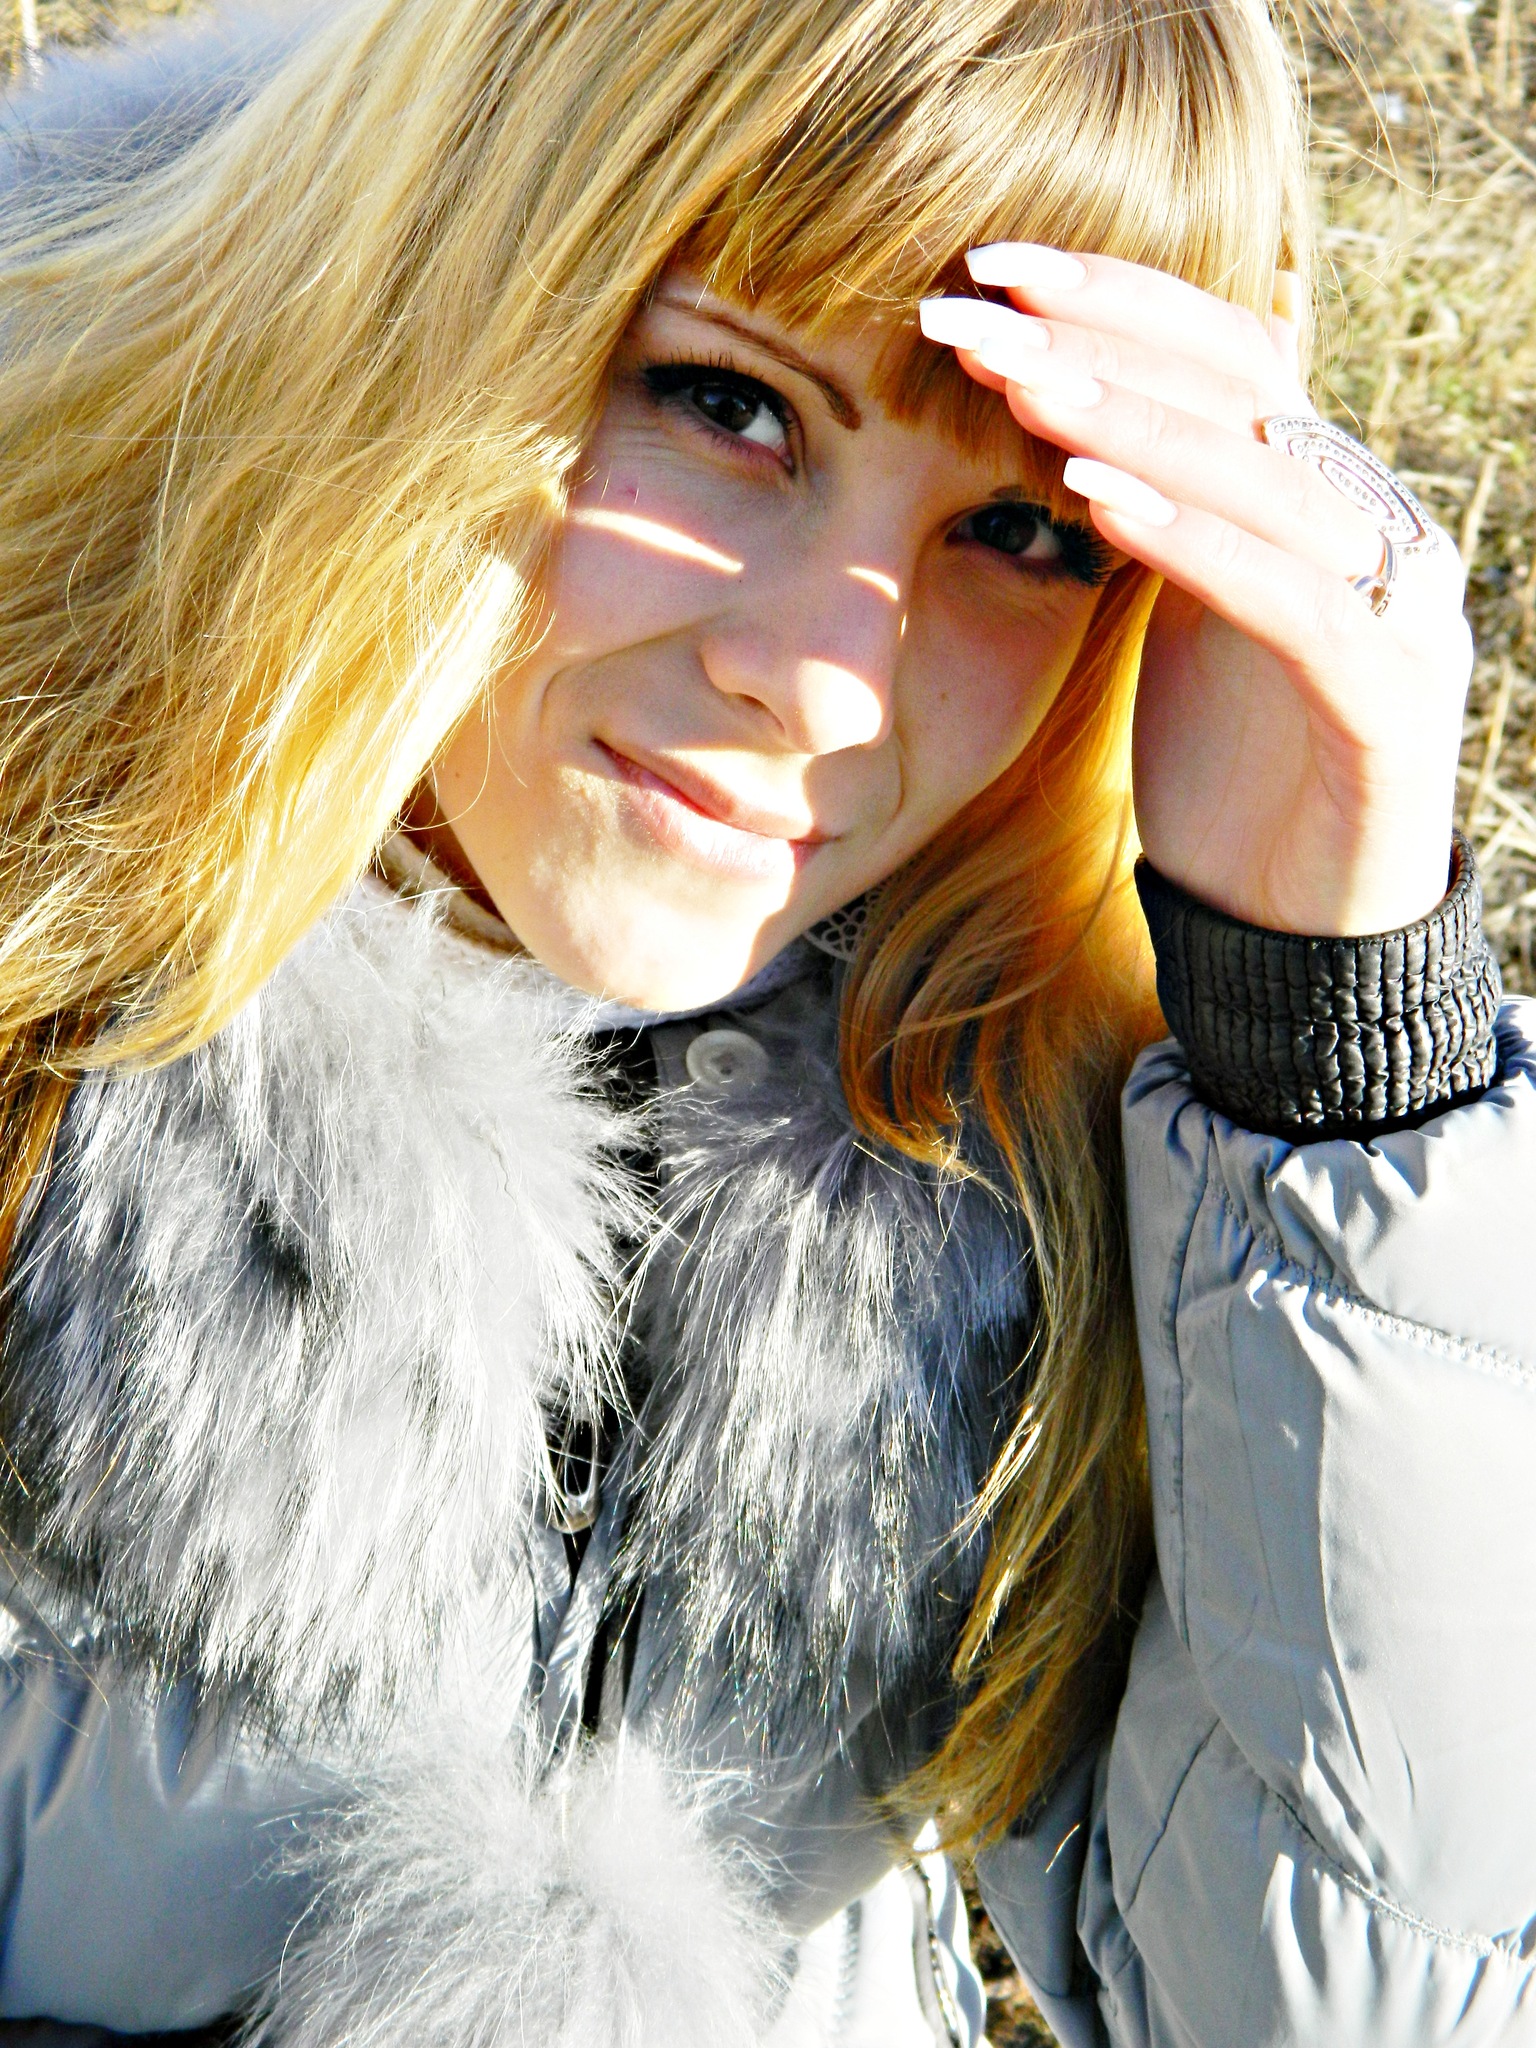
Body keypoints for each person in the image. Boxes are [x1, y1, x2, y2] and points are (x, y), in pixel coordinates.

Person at [0, 0, 1522, 2042]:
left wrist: (1326, 1042)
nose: (824, 685)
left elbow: (1330, 2009)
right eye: (730, 405)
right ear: (437, 274)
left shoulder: (1028, 1113)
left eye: (1026, 532)